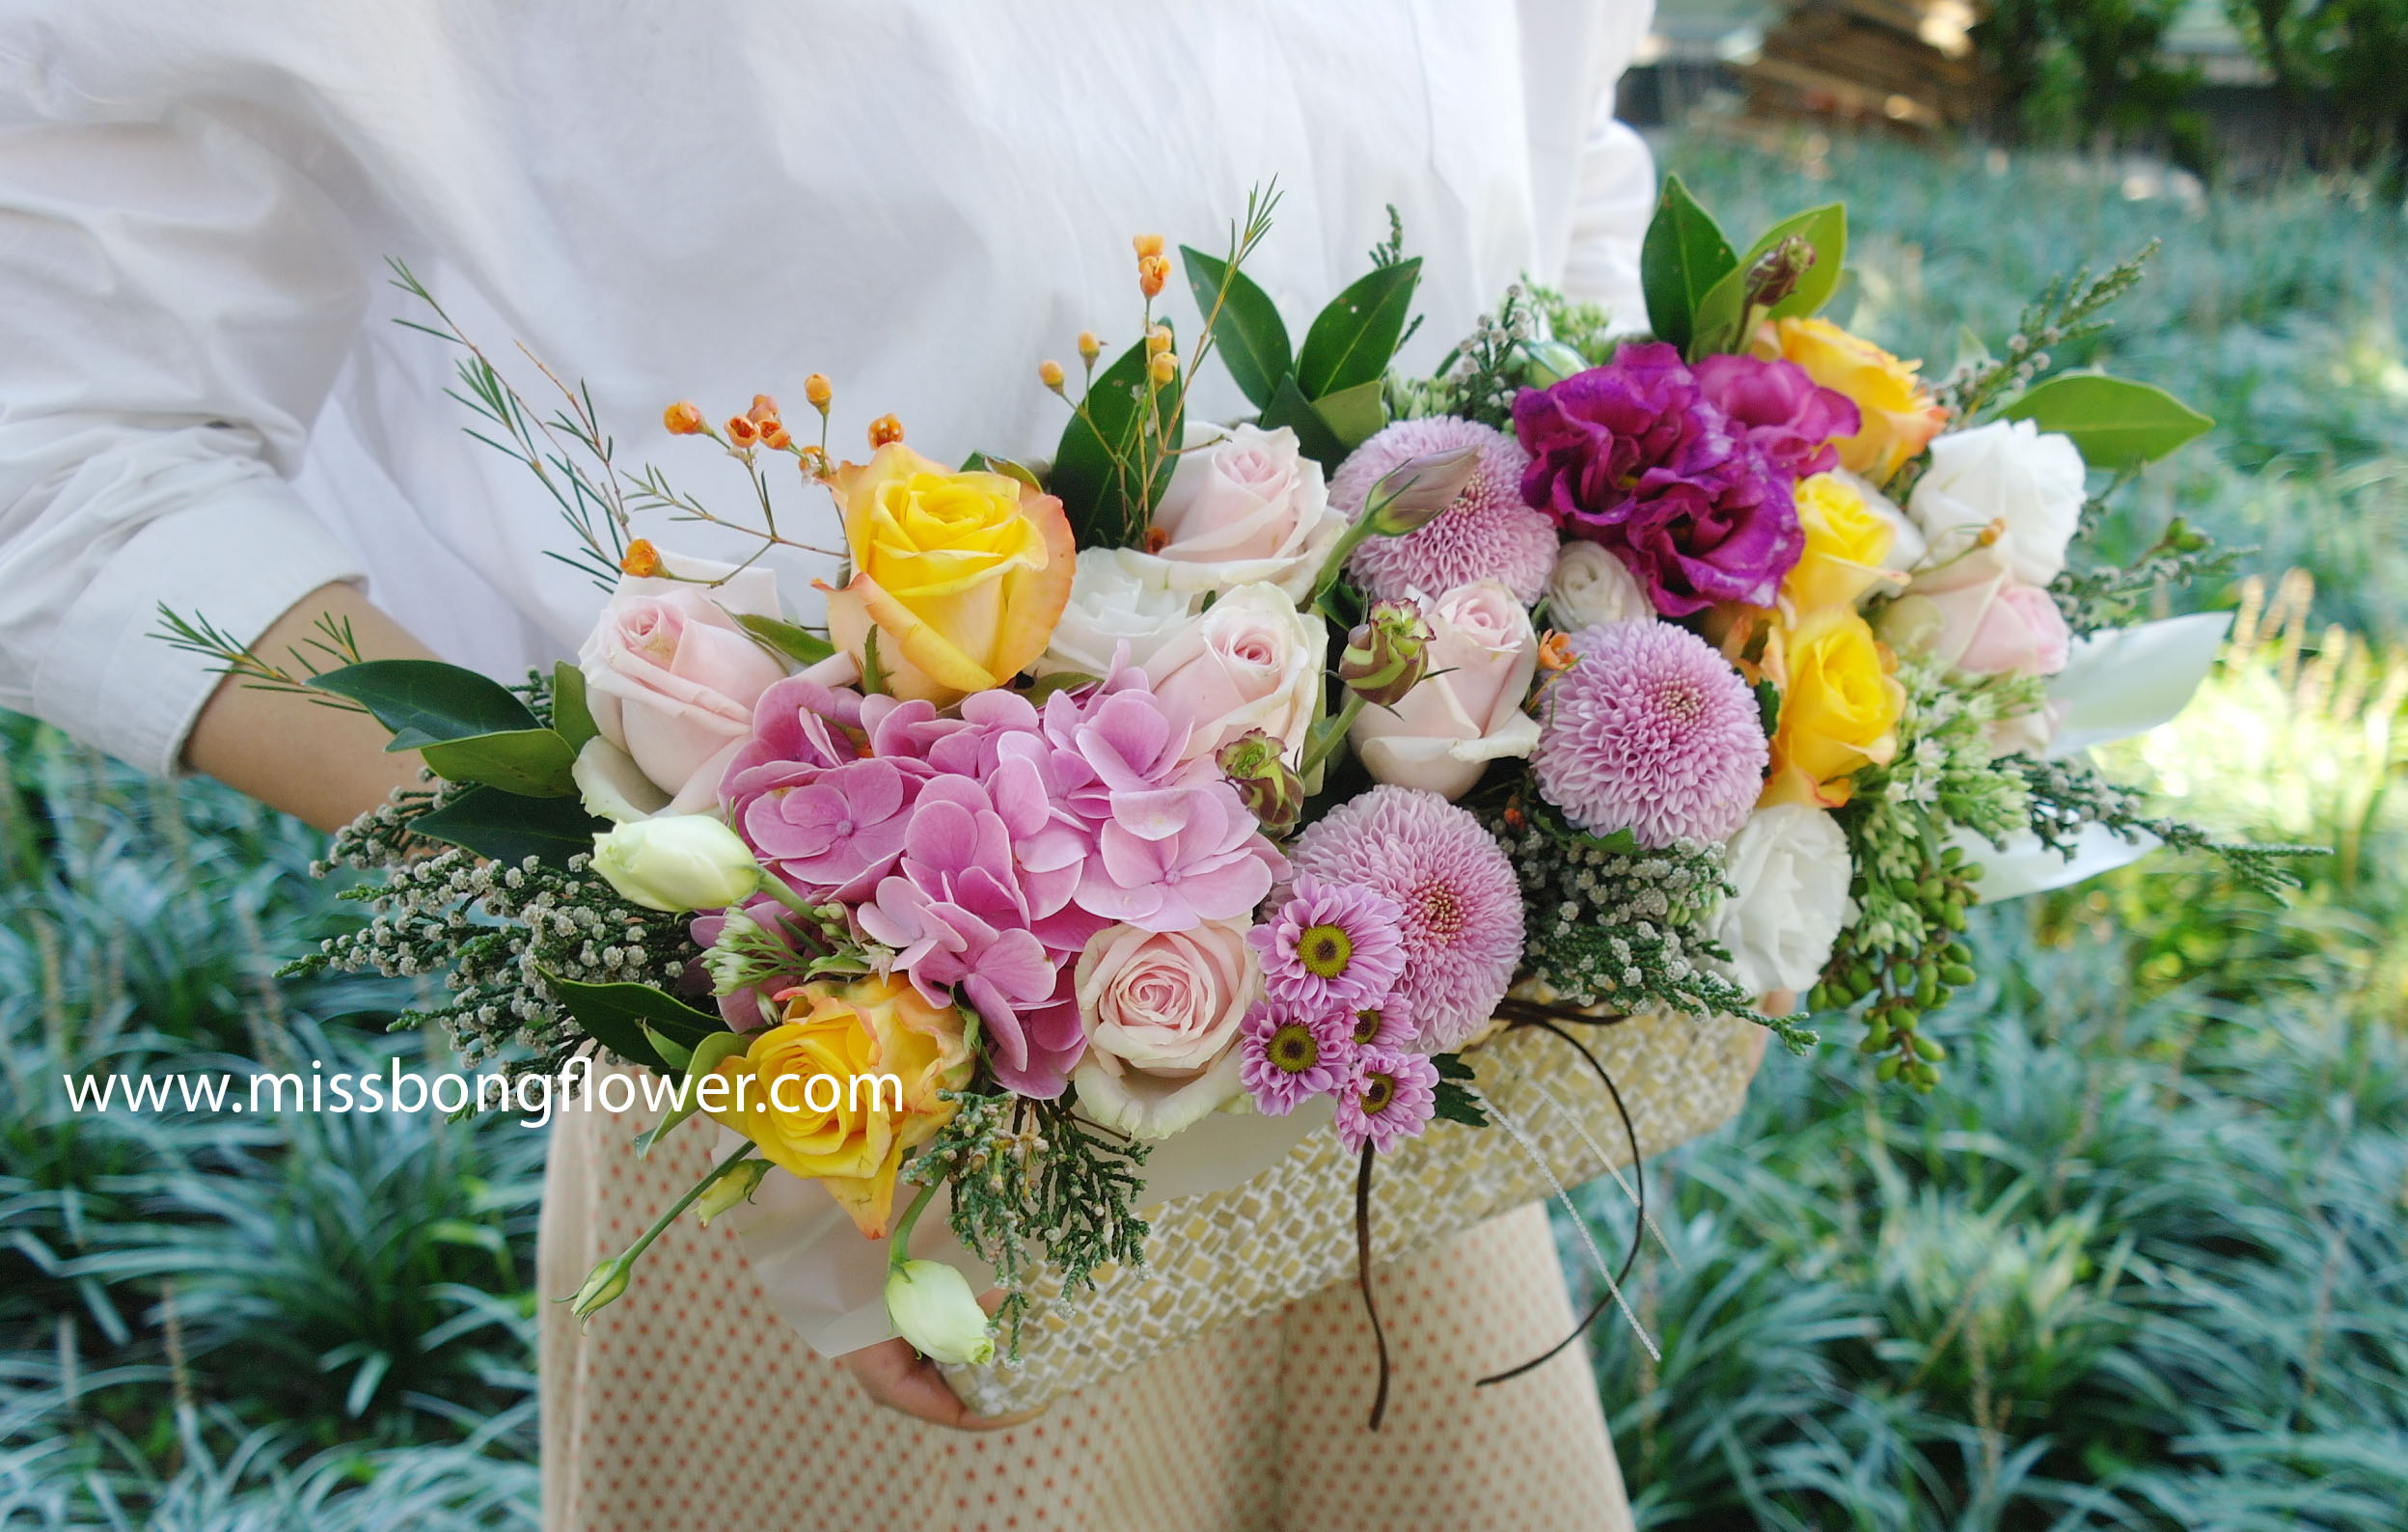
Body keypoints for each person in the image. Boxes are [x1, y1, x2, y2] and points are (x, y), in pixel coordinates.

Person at [0, 4, 1712, 1527]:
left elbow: (1560, 165)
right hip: (885, 1166)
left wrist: (1666, 709)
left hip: (1420, 1096)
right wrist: (680, 934)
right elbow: (63, 434)